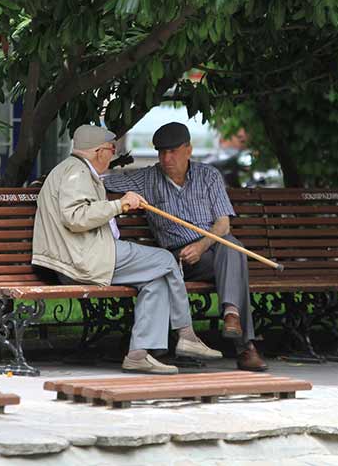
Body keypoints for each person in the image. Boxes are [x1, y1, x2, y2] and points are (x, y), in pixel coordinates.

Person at [32, 124, 222, 374]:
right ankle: (186, 334)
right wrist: (119, 206)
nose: (112, 156)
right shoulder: (75, 173)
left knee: (155, 282)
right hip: (82, 260)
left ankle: (138, 354)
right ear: (99, 151)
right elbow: (75, 217)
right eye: (111, 150)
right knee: (165, 260)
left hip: (86, 255)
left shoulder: (77, 172)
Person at [104, 122, 268, 371]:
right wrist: (61, 180)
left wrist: (201, 247)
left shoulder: (208, 175)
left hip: (211, 252)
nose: (166, 159)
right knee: (235, 257)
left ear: (188, 150)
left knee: (231, 247)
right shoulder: (148, 178)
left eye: (173, 152)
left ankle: (231, 315)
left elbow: (223, 224)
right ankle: (245, 347)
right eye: (162, 152)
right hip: (176, 260)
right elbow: (105, 182)